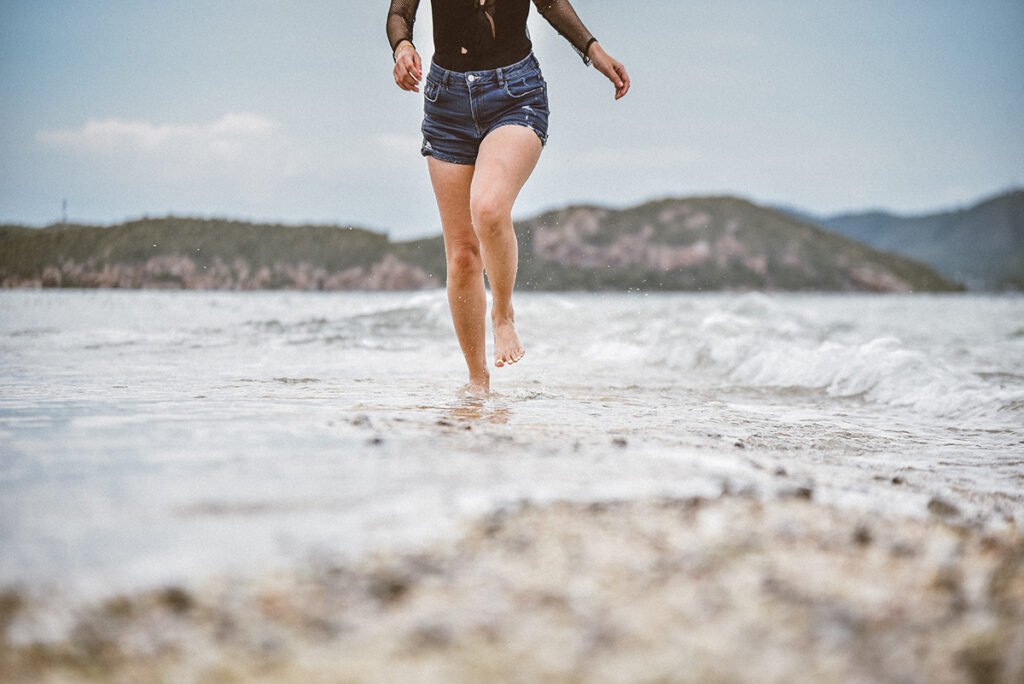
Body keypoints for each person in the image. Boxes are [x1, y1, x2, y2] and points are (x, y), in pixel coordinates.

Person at [388, 0, 629, 394]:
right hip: (446, 104)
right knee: (463, 255)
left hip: (515, 94)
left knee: (487, 207)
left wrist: (593, 50)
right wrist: (402, 47)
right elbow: (400, 12)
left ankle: (502, 314)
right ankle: (478, 384)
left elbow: (549, 2)